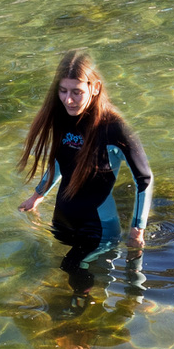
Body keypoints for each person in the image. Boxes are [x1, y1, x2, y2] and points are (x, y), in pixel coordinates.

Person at [17, 50, 153, 282]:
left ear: (95, 88)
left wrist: (137, 230)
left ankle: (129, 299)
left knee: (72, 268)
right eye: (63, 91)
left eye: (77, 92)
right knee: (44, 265)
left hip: (98, 228)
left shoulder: (114, 128)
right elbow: (60, 162)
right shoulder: (63, 118)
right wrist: (37, 196)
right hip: (64, 219)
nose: (68, 100)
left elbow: (144, 179)